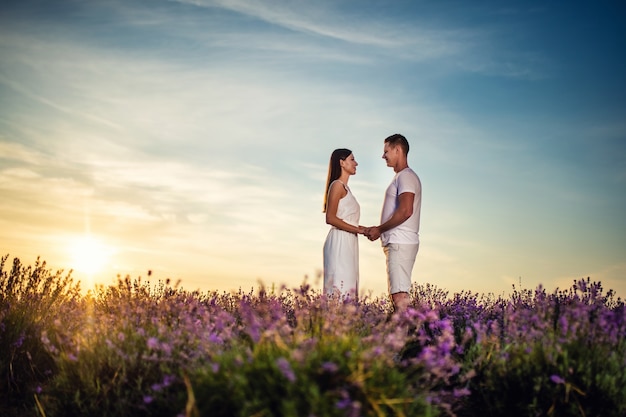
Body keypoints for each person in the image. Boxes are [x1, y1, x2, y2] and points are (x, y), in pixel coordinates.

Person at [365, 134, 422, 312]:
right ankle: (414, 336)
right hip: (399, 242)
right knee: (398, 294)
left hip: (400, 242)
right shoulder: (402, 177)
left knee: (399, 296)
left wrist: (379, 229)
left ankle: (410, 338)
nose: (383, 156)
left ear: (398, 150)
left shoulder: (406, 177)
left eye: (386, 151)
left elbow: (406, 210)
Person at [323, 148, 366, 298]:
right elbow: (331, 218)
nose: (356, 163)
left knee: (349, 286)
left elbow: (348, 220)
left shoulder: (346, 188)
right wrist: (360, 231)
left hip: (349, 241)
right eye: (352, 159)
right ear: (342, 163)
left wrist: (365, 229)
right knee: (339, 285)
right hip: (340, 241)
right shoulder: (337, 185)